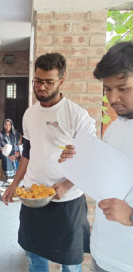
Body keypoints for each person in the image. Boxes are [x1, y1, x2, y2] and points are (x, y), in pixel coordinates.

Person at [3, 52, 96, 272]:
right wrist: (14, 184)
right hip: (33, 197)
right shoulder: (29, 114)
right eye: (37, 81)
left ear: (61, 81)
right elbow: (27, 152)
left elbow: (90, 159)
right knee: (34, 256)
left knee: (70, 264)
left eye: (48, 82)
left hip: (67, 202)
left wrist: (65, 184)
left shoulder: (77, 116)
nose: (41, 87)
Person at [59, 41, 133, 272]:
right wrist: (77, 161)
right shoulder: (116, 126)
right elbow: (107, 178)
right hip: (103, 254)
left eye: (123, 88)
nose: (113, 98)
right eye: (108, 89)